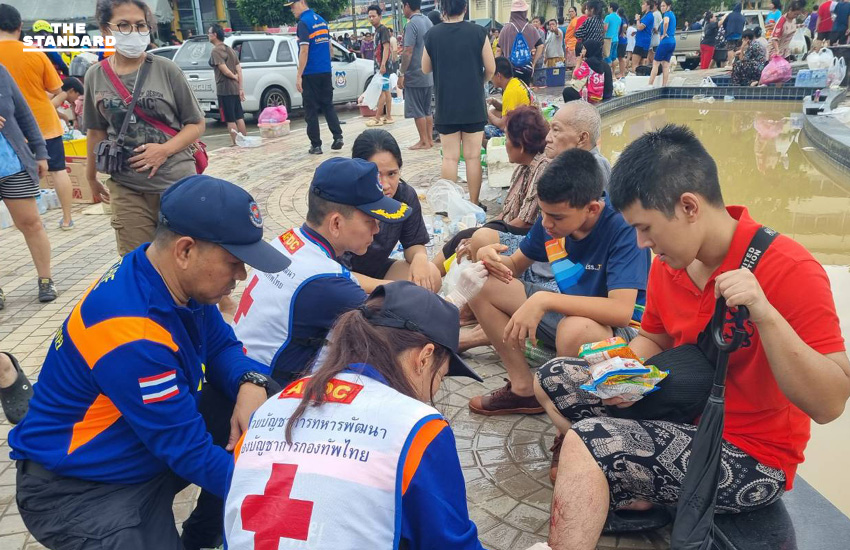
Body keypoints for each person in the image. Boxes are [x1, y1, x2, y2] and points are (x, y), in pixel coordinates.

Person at [546, 124, 850, 550]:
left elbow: (831, 403)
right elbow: (652, 340)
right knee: (559, 376)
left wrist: (764, 314)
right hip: (681, 411)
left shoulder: (789, 268)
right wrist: (624, 373)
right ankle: (643, 492)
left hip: (750, 456)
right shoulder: (669, 263)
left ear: (688, 206)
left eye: (646, 227)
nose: (641, 241)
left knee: (587, 443)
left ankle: (625, 488)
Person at [10, 175, 292, 550]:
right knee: (245, 464)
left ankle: (202, 535)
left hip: (137, 446)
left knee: (257, 406)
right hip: (79, 488)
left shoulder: (165, 275)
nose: (241, 276)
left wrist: (251, 382)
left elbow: (223, 348)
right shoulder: (134, 336)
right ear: (185, 250)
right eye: (234, 262)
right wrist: (285, 497)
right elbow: (188, 452)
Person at [224, 279, 490, 549]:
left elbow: (233, 521)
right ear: (424, 357)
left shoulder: (269, 409)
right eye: (441, 376)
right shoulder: (419, 428)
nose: (434, 388)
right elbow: (450, 544)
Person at [465, 148, 648, 416]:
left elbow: (621, 312)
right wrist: (486, 258)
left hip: (622, 335)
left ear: (592, 208)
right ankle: (523, 390)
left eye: (557, 217)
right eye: (543, 213)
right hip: (568, 316)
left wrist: (545, 299)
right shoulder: (550, 221)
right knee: (481, 281)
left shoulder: (623, 229)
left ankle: (572, 418)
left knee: (575, 329)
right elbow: (515, 266)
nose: (546, 223)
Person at [232, 157, 411, 384]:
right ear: (336, 223)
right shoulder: (328, 283)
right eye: (370, 220)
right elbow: (399, 332)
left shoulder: (287, 240)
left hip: (241, 366)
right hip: (265, 390)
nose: (377, 228)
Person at [84, 0, 205, 256]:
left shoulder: (166, 69)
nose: (134, 32)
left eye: (140, 25)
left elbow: (196, 124)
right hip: (127, 185)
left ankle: (220, 299)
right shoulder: (95, 75)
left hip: (176, 182)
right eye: (124, 26)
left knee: (187, 260)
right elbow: (96, 131)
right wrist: (91, 177)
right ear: (107, 30)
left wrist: (164, 150)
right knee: (138, 263)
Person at [434, 106, 550, 273]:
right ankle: (432, 273)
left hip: (525, 237)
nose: (505, 143)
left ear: (522, 145)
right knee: (465, 237)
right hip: (510, 228)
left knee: (468, 237)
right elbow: (507, 213)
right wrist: (484, 229)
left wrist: (484, 234)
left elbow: (524, 222)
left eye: (507, 138)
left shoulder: (542, 169)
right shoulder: (521, 169)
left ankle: (431, 276)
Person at [0, 4, 75, 235]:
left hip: (9, 129)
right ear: (20, 27)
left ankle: (25, 219)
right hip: (43, 123)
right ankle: (66, 218)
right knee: (58, 170)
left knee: (16, 176)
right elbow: (57, 88)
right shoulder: (34, 52)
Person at [344, 130, 441, 293]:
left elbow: (414, 243)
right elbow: (336, 273)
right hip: (341, 278)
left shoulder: (405, 196)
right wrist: (393, 288)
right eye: (376, 176)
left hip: (378, 270)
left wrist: (420, 258)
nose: (386, 185)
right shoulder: (345, 201)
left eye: (392, 174)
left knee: (431, 276)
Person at [423, 0, 495, 207]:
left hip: (447, 105)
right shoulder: (478, 32)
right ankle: (473, 201)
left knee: (450, 158)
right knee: (473, 157)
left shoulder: (433, 34)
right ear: (465, 8)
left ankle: (448, 206)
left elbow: (425, 68)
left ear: (443, 9)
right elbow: (490, 68)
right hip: (473, 103)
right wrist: (478, 81)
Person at [0, 64, 57, 309]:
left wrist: (40, 152)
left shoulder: (1, 71)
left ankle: (46, 280)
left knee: (31, 223)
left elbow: (24, 114)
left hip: (13, 164)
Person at [288, 0, 344, 155]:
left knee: (311, 109)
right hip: (325, 71)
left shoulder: (303, 24)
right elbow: (329, 47)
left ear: (301, 3)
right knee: (327, 105)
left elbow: (304, 50)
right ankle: (338, 136)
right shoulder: (321, 21)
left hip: (310, 72)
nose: (292, 10)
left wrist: (299, 75)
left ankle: (316, 145)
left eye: (292, 6)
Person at [399, 0, 434, 150]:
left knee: (417, 109)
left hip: (415, 73)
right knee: (427, 109)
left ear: (407, 5)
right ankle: (430, 139)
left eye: (402, 6)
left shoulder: (411, 24)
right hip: (428, 73)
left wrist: (402, 72)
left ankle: (423, 141)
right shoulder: (428, 21)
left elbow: (408, 51)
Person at [207, 24, 247, 147]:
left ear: (215, 35)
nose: (208, 35)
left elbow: (224, 70)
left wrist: (233, 77)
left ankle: (236, 143)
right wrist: (240, 87)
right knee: (239, 116)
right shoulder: (230, 49)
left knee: (230, 118)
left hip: (224, 89)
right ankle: (244, 140)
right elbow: (239, 69)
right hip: (234, 88)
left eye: (209, 33)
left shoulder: (216, 51)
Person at [485, 57, 535, 141]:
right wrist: (494, 102)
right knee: (494, 112)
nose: (491, 79)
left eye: (492, 76)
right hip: (530, 123)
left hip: (524, 133)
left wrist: (487, 113)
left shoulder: (510, 92)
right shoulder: (516, 82)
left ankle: (498, 152)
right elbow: (508, 108)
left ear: (498, 75)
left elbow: (503, 126)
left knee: (481, 131)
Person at [497, 0, 544, 84]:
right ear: (525, 12)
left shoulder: (505, 29)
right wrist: (533, 63)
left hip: (509, 69)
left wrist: (497, 67)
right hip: (526, 68)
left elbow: (498, 50)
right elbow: (540, 46)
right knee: (524, 92)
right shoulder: (531, 28)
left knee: (510, 92)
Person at [367, 5, 395, 126]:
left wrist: (383, 65)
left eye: (373, 16)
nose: (371, 18)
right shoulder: (377, 30)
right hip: (382, 65)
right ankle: (388, 116)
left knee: (382, 91)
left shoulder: (383, 30)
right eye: (369, 16)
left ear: (380, 16)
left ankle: (378, 118)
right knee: (386, 91)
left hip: (383, 66)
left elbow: (386, 47)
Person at [648, 0, 676, 87]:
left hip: (665, 42)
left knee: (655, 63)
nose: (662, 7)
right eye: (661, 6)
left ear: (669, 6)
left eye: (664, 6)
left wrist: (664, 33)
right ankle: (664, 85)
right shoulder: (672, 14)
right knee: (666, 65)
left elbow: (666, 22)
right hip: (672, 41)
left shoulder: (667, 14)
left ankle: (649, 85)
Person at [633, 0, 654, 68]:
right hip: (644, 42)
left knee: (635, 64)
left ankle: (636, 77)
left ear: (648, 5)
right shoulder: (646, 15)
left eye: (643, 4)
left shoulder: (649, 16)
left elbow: (640, 27)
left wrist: (637, 19)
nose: (641, 6)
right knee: (641, 64)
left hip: (641, 43)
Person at [616, 8, 629, 77]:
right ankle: (622, 72)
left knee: (621, 57)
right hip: (624, 41)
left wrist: (622, 32)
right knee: (621, 57)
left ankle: (622, 73)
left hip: (621, 41)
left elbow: (624, 26)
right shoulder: (624, 19)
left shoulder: (621, 19)